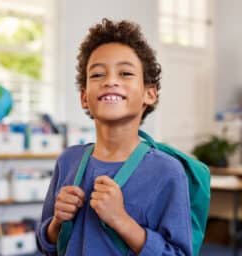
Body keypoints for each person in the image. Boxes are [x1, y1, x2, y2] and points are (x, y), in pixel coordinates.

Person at [36, 18, 192, 255]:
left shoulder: (168, 172)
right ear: (84, 97)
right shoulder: (68, 161)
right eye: (97, 74)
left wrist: (121, 220)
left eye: (126, 73)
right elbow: (45, 244)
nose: (110, 81)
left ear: (149, 94)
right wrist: (57, 222)